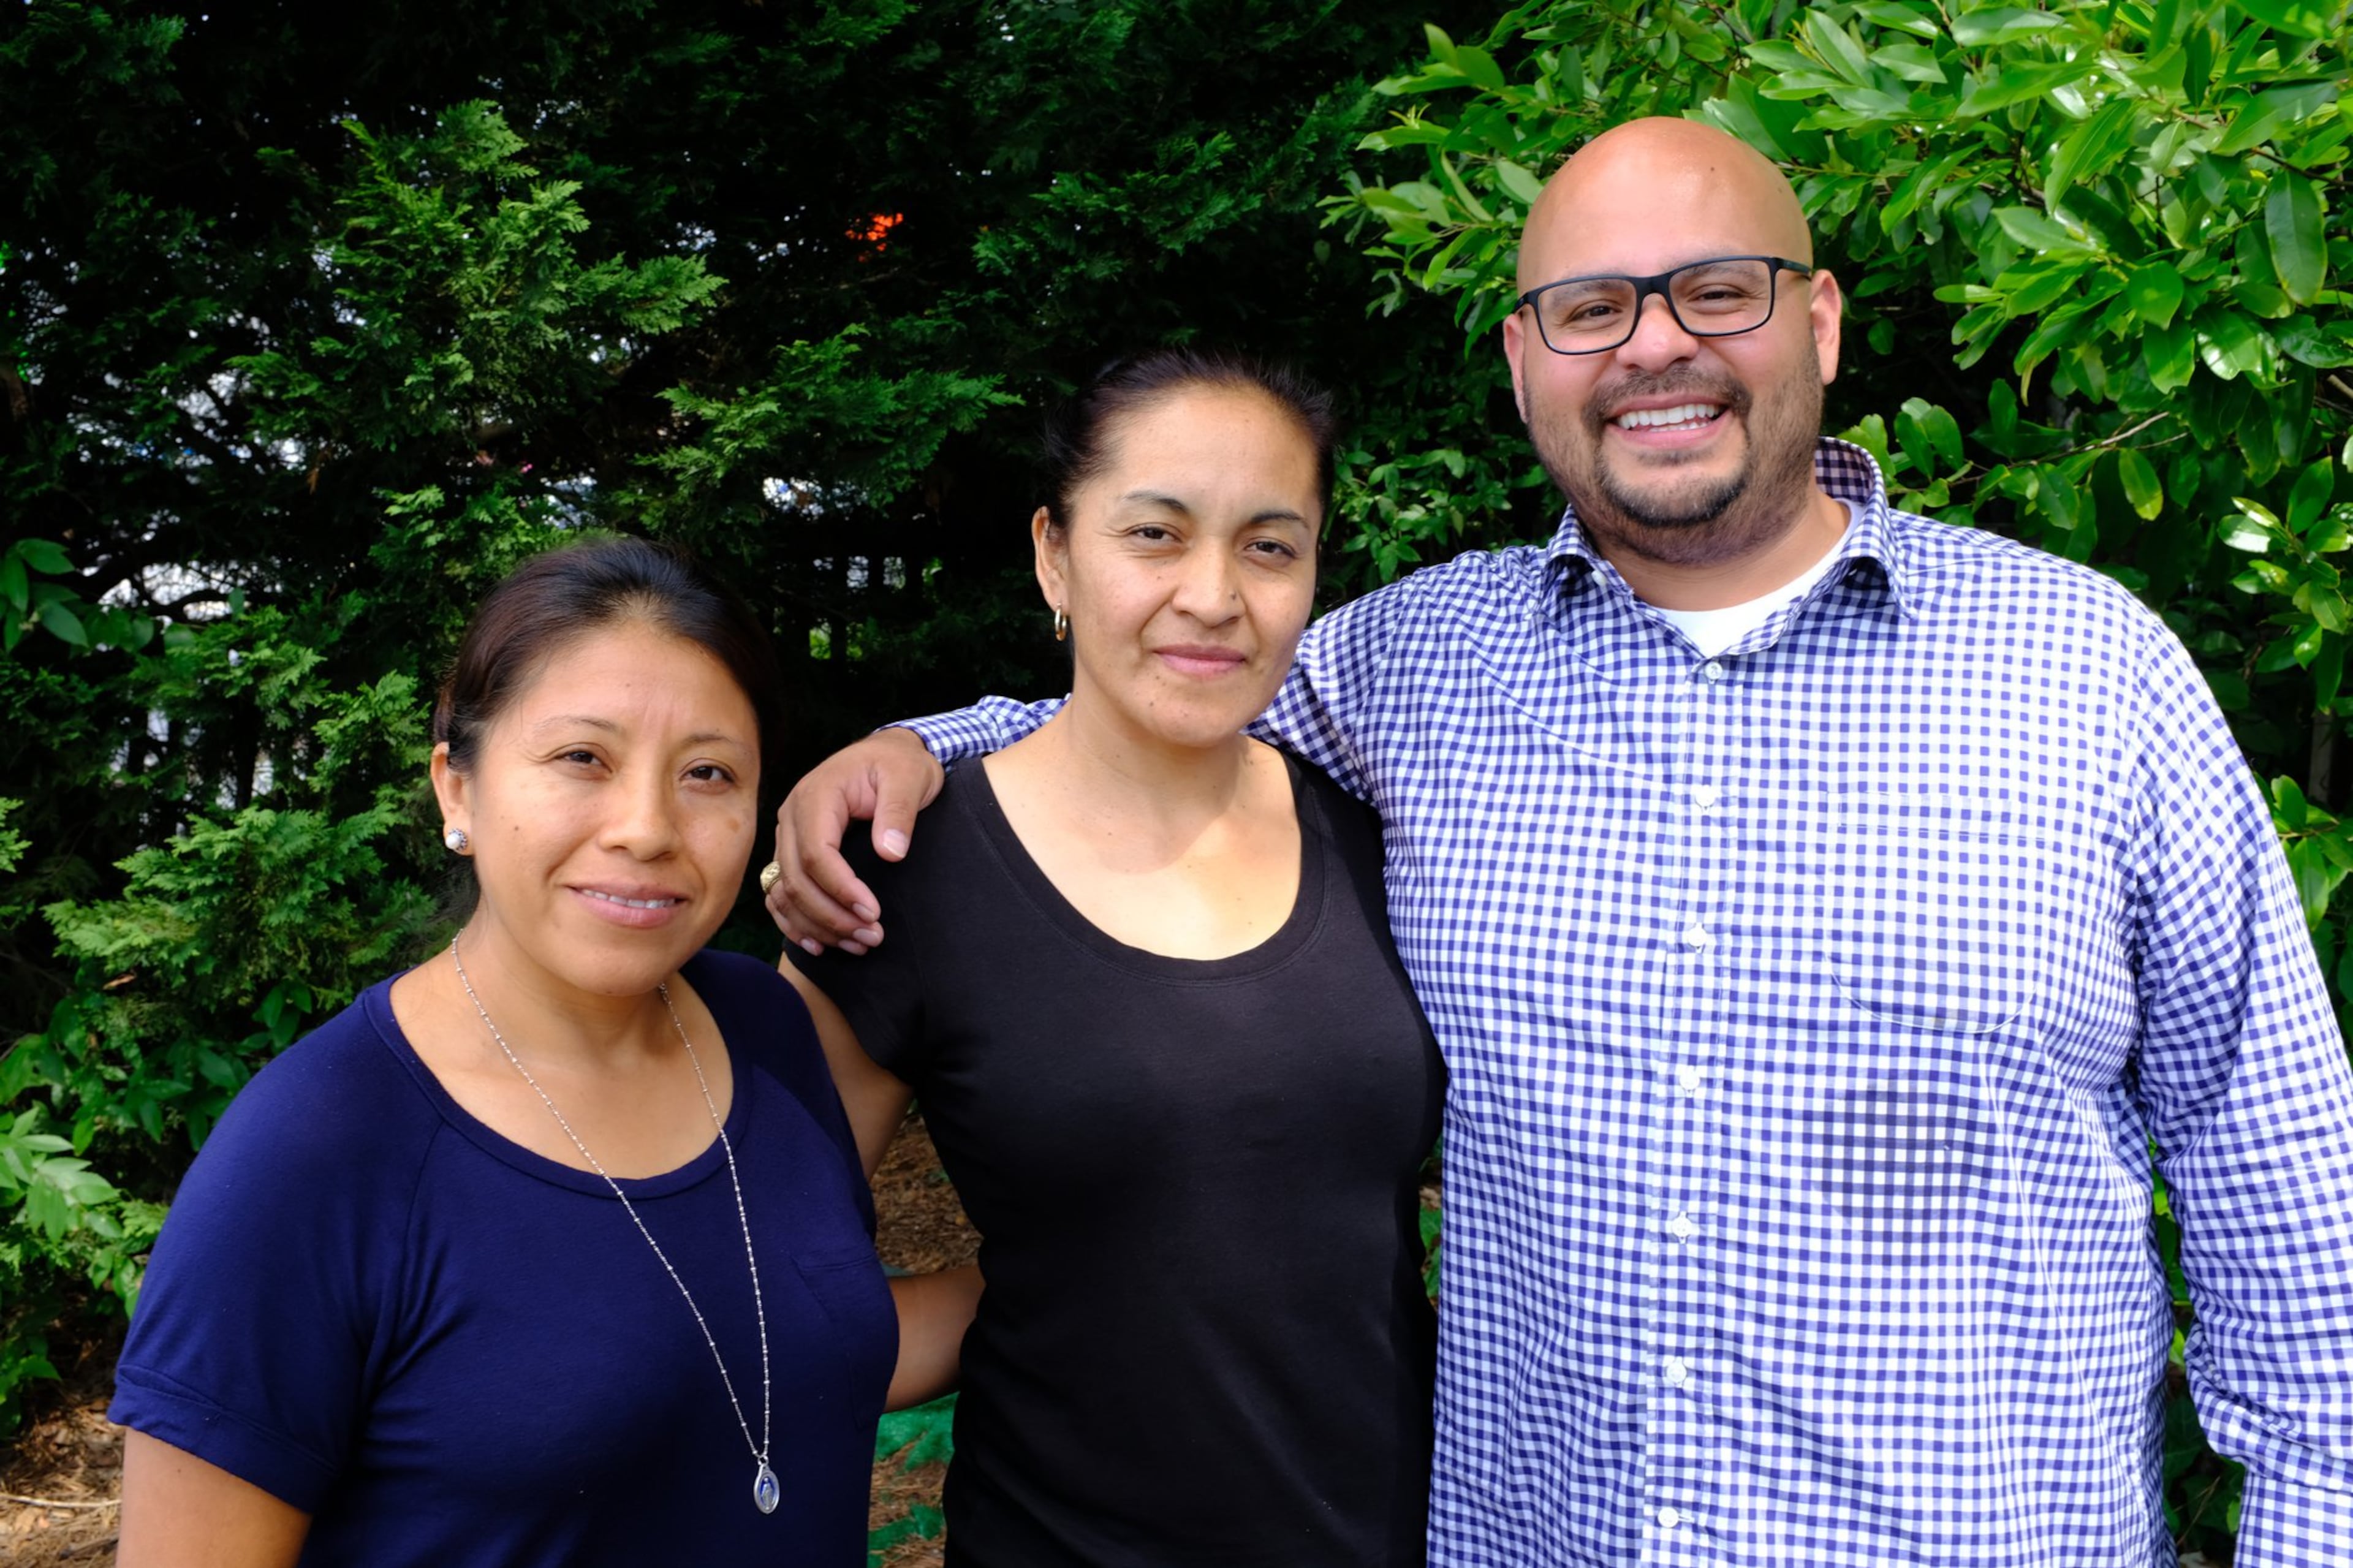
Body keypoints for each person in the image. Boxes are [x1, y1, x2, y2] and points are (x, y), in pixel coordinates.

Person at [768, 118, 2353, 1566]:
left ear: (1821, 321)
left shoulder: (2090, 675)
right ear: (1526, 366)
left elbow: (2299, 1230)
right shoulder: (1426, 667)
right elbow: (1164, 691)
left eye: (1717, 290)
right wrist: (916, 748)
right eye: (1593, 307)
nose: (1654, 342)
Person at [111, 539, 904, 1567]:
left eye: (709, 773)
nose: (648, 827)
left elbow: (797, 1343)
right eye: (583, 758)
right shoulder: (314, 1153)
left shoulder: (762, 1030)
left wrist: (1113, 1268)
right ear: (457, 790)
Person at [776, 349, 1445, 1567]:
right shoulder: (908, 877)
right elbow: (757, 1268)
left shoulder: (1376, 835)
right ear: (1053, 553)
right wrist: (1008, 1300)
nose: (1213, 593)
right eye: (1155, 533)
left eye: (1269, 544)